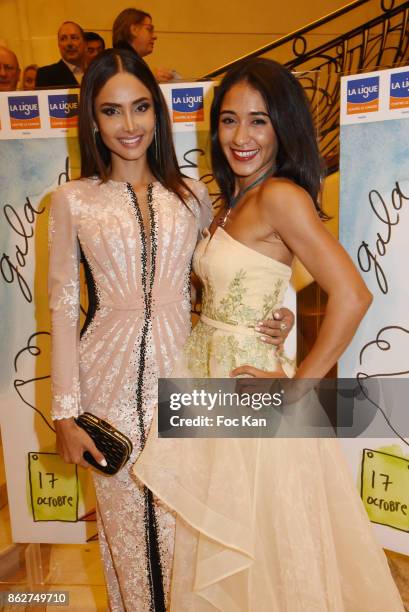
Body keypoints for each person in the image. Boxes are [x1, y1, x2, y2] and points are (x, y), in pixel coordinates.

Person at [134, 58, 405, 610]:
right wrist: (276, 314)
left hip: (252, 400)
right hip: (211, 384)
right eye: (229, 120)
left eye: (259, 120)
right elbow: (267, 275)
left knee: (261, 551)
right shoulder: (232, 202)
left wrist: (298, 388)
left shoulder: (280, 195)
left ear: (282, 126)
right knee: (224, 544)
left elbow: (352, 296)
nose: (241, 136)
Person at [48, 48, 291, 611]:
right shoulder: (71, 201)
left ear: (158, 114)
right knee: (127, 540)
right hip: (104, 386)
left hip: (188, 373)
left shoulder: (190, 196)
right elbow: (62, 306)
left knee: (190, 537)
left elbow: (220, 274)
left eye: (140, 108)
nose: (128, 125)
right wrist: (64, 412)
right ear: (92, 119)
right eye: (112, 111)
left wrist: (281, 315)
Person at [112, 8, 177, 82]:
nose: (155, 36)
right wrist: (150, 79)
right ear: (134, 30)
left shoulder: (124, 60)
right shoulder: (118, 62)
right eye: (149, 29)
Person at [36, 21, 85, 88]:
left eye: (74, 37)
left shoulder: (95, 73)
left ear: (84, 42)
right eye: (63, 39)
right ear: (58, 45)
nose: (69, 44)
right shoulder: (46, 75)